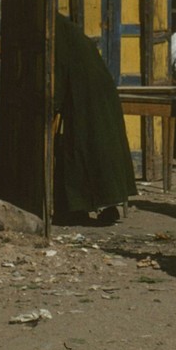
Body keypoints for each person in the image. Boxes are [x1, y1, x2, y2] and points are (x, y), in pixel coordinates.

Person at [53, 11, 137, 224]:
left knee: (84, 148)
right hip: (95, 93)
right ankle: (102, 204)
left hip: (86, 96)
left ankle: (81, 207)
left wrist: (52, 105)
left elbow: (59, 73)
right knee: (98, 148)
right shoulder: (67, 31)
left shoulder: (58, 34)